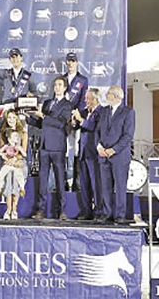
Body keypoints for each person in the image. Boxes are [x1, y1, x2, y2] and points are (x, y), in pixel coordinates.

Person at [27, 76, 72, 220]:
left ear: (65, 88)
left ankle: (62, 210)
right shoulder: (47, 103)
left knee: (60, 180)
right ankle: (41, 210)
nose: (57, 87)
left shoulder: (67, 105)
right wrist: (28, 117)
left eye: (59, 85)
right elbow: (42, 124)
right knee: (43, 180)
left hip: (58, 147)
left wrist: (43, 116)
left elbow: (60, 123)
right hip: (44, 146)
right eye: (55, 84)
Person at [96, 85, 136, 225]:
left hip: (119, 156)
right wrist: (99, 147)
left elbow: (128, 135)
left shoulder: (128, 112)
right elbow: (97, 131)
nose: (106, 95)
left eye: (109, 93)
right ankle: (107, 213)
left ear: (117, 96)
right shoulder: (104, 111)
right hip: (103, 155)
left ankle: (120, 215)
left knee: (119, 186)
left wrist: (114, 149)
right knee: (105, 186)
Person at [71, 88, 104, 220]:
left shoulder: (102, 112)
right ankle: (86, 211)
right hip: (83, 152)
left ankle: (99, 211)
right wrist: (74, 122)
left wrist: (81, 120)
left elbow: (93, 127)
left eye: (88, 98)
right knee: (84, 184)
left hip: (94, 153)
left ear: (95, 99)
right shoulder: (84, 112)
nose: (85, 100)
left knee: (96, 184)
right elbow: (76, 126)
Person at [64, 52, 88, 192]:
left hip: (77, 117)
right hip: (64, 119)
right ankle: (66, 182)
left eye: (73, 61)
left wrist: (76, 114)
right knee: (66, 149)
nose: (70, 64)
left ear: (77, 63)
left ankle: (77, 182)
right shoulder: (62, 78)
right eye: (69, 61)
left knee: (77, 149)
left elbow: (83, 99)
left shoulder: (83, 80)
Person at [0, 130, 27, 220]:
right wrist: (3, 155)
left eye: (17, 137)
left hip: (16, 165)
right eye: (13, 137)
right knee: (1, 175)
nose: (15, 139)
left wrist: (20, 150)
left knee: (19, 176)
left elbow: (24, 155)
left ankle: (22, 188)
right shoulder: (6, 146)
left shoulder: (18, 147)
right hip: (8, 165)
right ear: (9, 139)